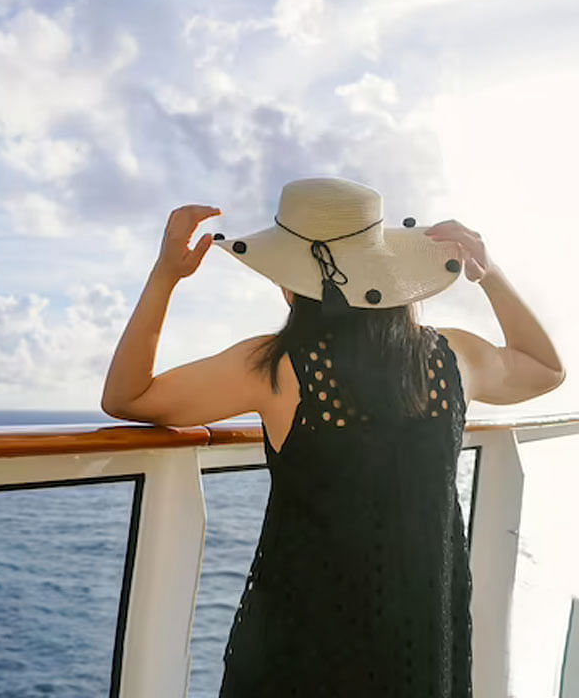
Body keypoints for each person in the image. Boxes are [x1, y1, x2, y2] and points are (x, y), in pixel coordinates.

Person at [100, 177, 565, 698]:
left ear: (290, 282)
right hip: (417, 639)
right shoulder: (453, 358)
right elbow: (545, 369)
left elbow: (127, 396)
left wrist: (165, 276)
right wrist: (491, 275)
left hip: (299, 644)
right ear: (387, 273)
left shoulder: (275, 366)